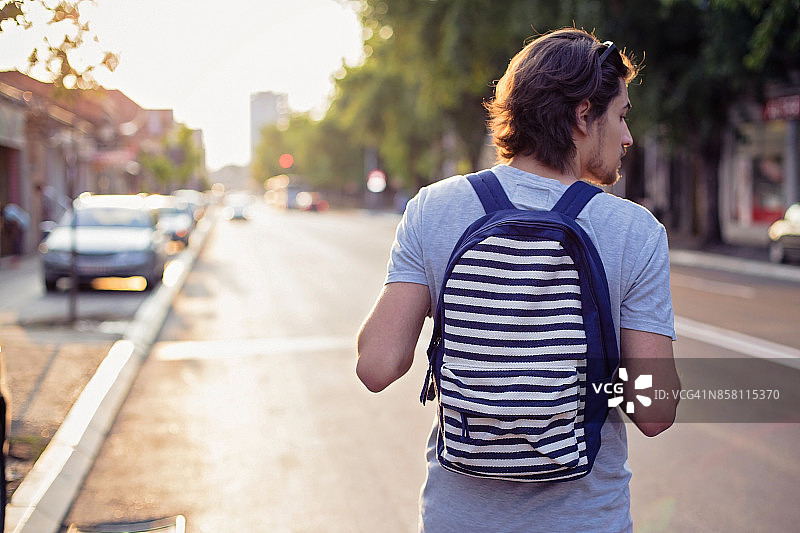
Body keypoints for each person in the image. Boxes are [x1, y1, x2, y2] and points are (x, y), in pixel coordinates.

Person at [356, 28, 681, 532]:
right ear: (583, 115)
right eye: (621, 116)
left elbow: (377, 365)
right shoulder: (633, 231)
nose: (627, 137)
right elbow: (654, 411)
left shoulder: (435, 208)